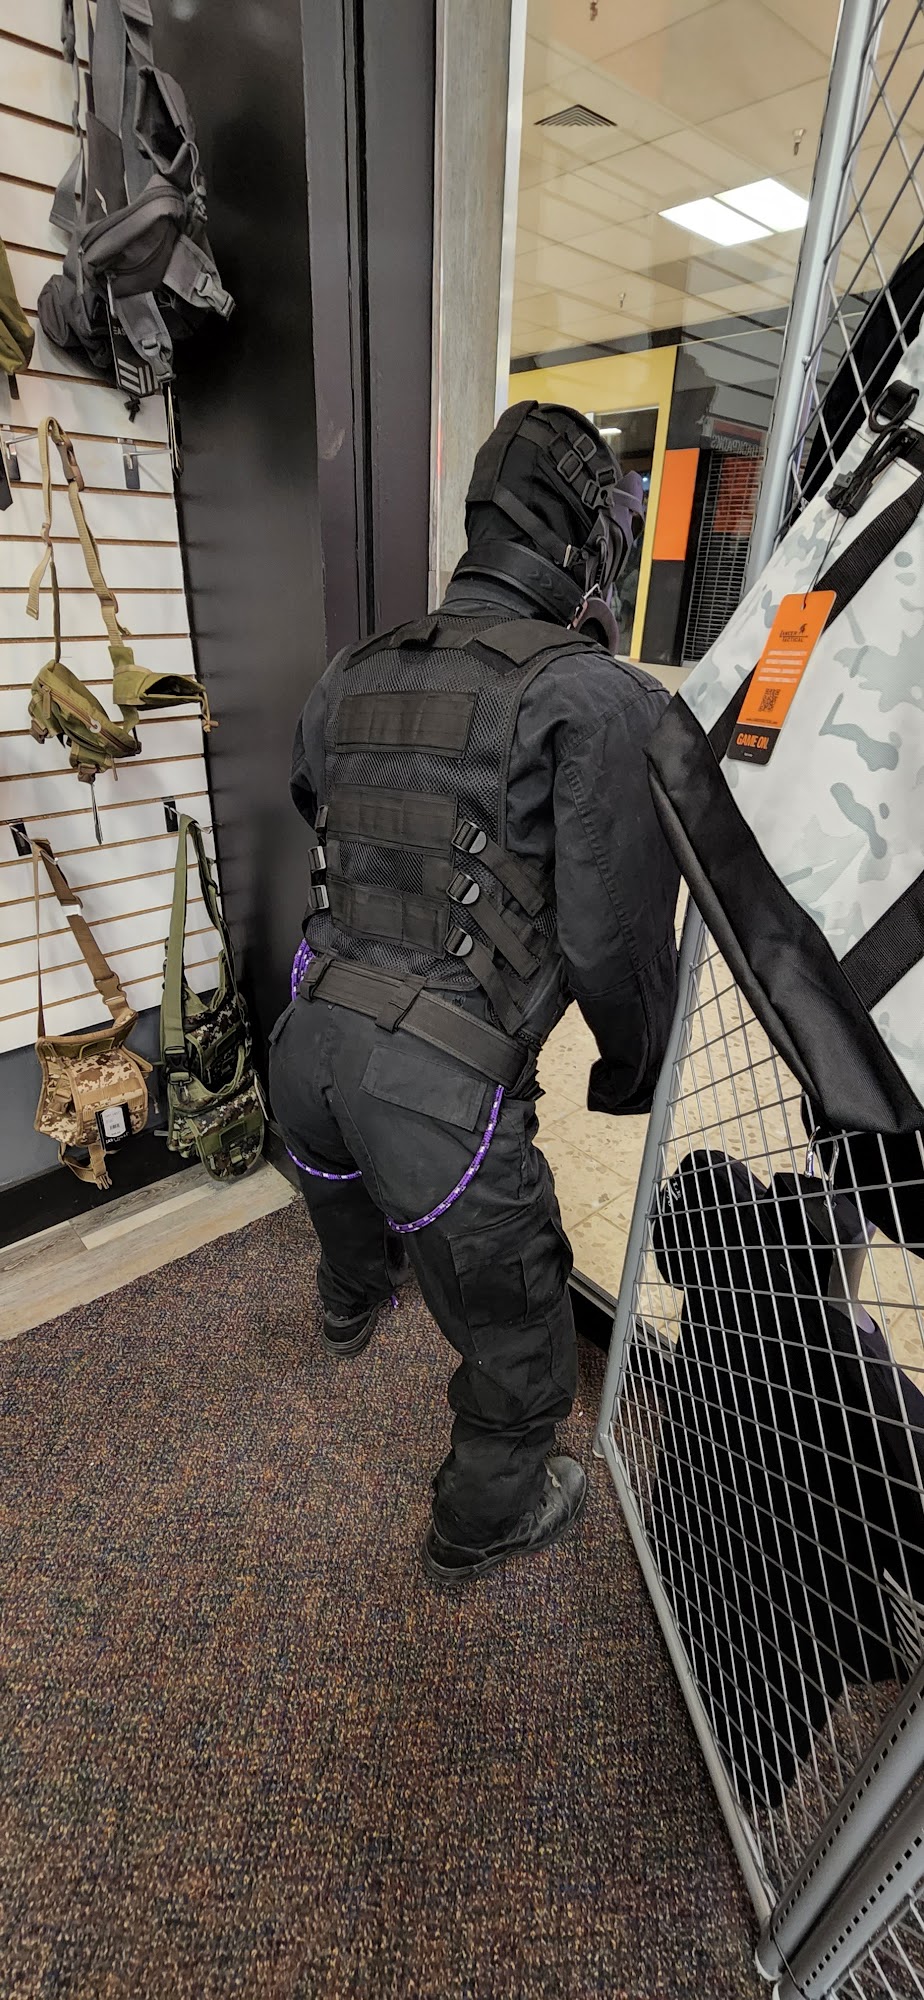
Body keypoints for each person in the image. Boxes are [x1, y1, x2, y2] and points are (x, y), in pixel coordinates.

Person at [269, 402, 679, 1585]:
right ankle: (481, 1517)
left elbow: (316, 802)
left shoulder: (354, 667)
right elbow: (613, 942)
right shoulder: (598, 698)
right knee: (520, 1319)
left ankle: (350, 1304)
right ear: (587, 540)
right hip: (437, 1100)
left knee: (344, 1198)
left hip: (302, 1042)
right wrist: (630, 1067)